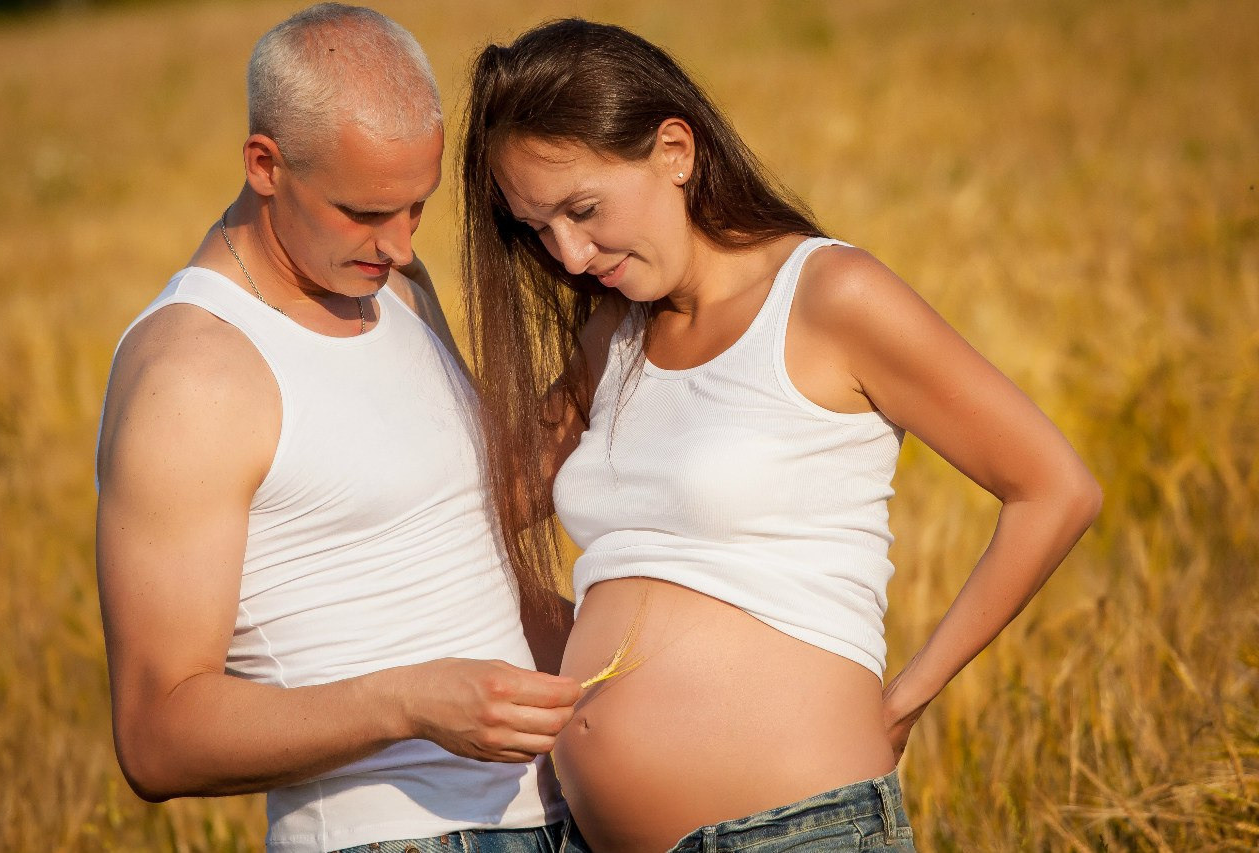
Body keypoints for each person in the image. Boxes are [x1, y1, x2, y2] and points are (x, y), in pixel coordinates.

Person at [459, 18, 1104, 853]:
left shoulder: (830, 296)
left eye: (583, 210)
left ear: (675, 151)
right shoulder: (612, 335)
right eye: (537, 228)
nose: (571, 255)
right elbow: (485, 511)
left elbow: (1055, 488)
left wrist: (907, 696)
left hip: (795, 832)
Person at [94, 5, 582, 852]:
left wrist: (626, 344)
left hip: (560, 812)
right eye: (364, 211)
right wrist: (413, 704)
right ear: (265, 164)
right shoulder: (191, 374)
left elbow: (464, 508)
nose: (397, 245)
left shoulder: (390, 283)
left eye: (416, 208)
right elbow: (157, 734)